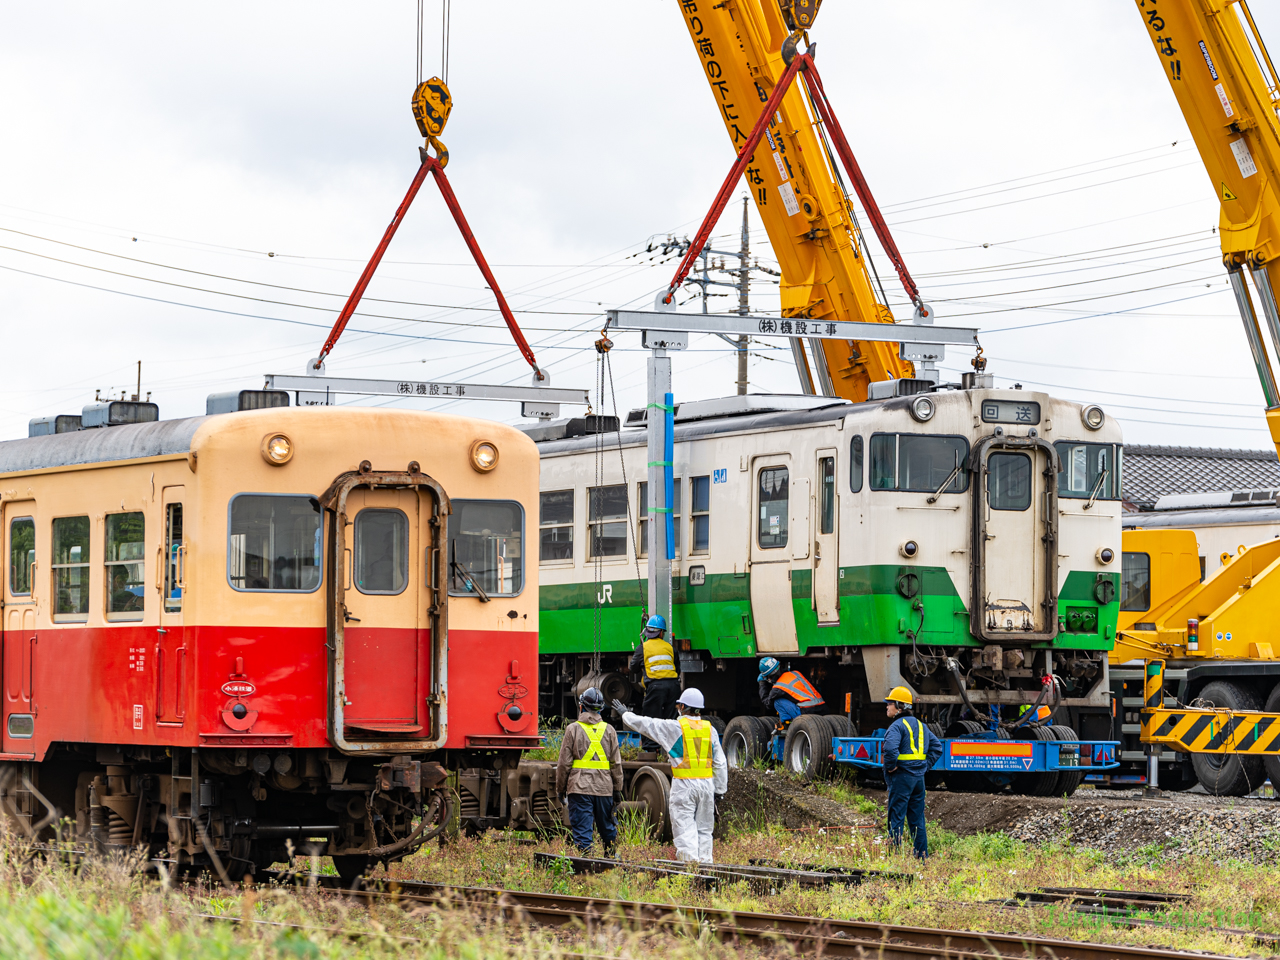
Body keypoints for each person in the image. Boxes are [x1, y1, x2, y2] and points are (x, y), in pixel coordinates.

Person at [613, 688, 727, 863]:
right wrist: (719, 790)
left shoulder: (675, 728)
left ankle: (691, 874)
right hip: (706, 786)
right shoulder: (709, 730)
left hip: (685, 786)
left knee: (685, 830)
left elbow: (648, 724)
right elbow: (720, 763)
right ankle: (706, 870)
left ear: (682, 706)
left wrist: (626, 715)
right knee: (704, 831)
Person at [555, 687, 624, 857]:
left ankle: (588, 868)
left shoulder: (573, 729)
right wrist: (617, 790)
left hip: (579, 788)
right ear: (601, 709)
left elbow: (564, 764)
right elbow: (616, 764)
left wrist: (560, 789)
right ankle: (611, 863)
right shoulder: (609, 730)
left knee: (583, 832)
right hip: (604, 788)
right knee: (608, 828)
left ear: (581, 707)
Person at [882, 685, 942, 859]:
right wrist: (923, 767)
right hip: (918, 780)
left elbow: (891, 750)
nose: (887, 706)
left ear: (899, 706)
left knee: (896, 818)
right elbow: (937, 748)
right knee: (917, 821)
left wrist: (891, 767)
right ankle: (922, 857)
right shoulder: (921, 726)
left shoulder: (896, 727)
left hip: (902, 778)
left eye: (890, 703)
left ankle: (894, 859)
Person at [628, 614, 680, 720]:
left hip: (656, 687)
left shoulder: (642, 648)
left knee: (650, 722)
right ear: (661, 633)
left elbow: (633, 668)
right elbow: (677, 669)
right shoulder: (670, 648)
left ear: (647, 632)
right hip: (674, 687)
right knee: (671, 721)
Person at [757, 657, 825, 728]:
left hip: (808, 712)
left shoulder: (778, 687)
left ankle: (786, 724)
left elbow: (767, 704)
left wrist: (762, 683)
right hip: (822, 708)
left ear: (769, 676)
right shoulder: (795, 673)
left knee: (778, 701)